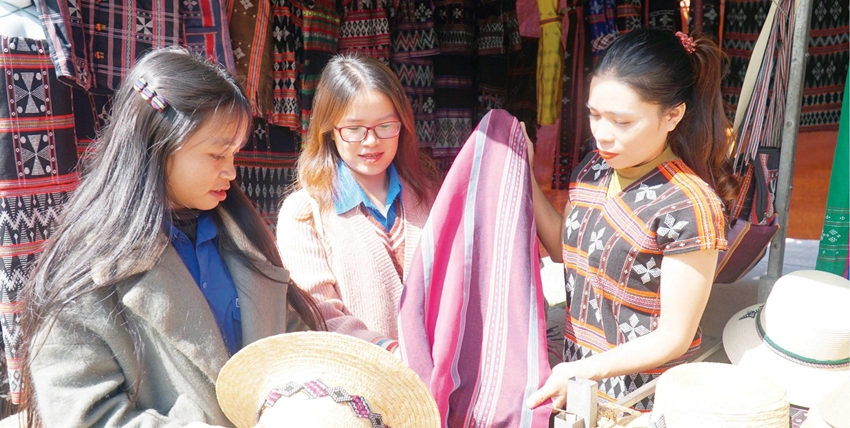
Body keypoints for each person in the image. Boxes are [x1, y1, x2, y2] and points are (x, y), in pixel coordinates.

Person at [17, 47, 324, 427]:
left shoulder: (244, 240)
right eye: (216, 154)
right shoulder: (87, 274)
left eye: (234, 154)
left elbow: (294, 347)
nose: (231, 171)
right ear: (158, 147)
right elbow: (84, 416)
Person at [525, 28, 739, 411]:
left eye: (622, 122)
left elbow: (674, 337)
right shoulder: (594, 169)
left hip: (641, 402)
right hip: (577, 383)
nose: (602, 135)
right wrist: (525, 174)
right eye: (594, 115)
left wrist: (584, 370)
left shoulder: (689, 205)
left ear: (672, 115)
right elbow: (562, 249)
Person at [277, 55, 440, 353]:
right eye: (354, 129)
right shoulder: (304, 214)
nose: (371, 141)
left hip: (440, 372)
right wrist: (391, 353)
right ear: (329, 129)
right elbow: (319, 313)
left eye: (385, 125)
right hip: (360, 374)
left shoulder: (432, 198)